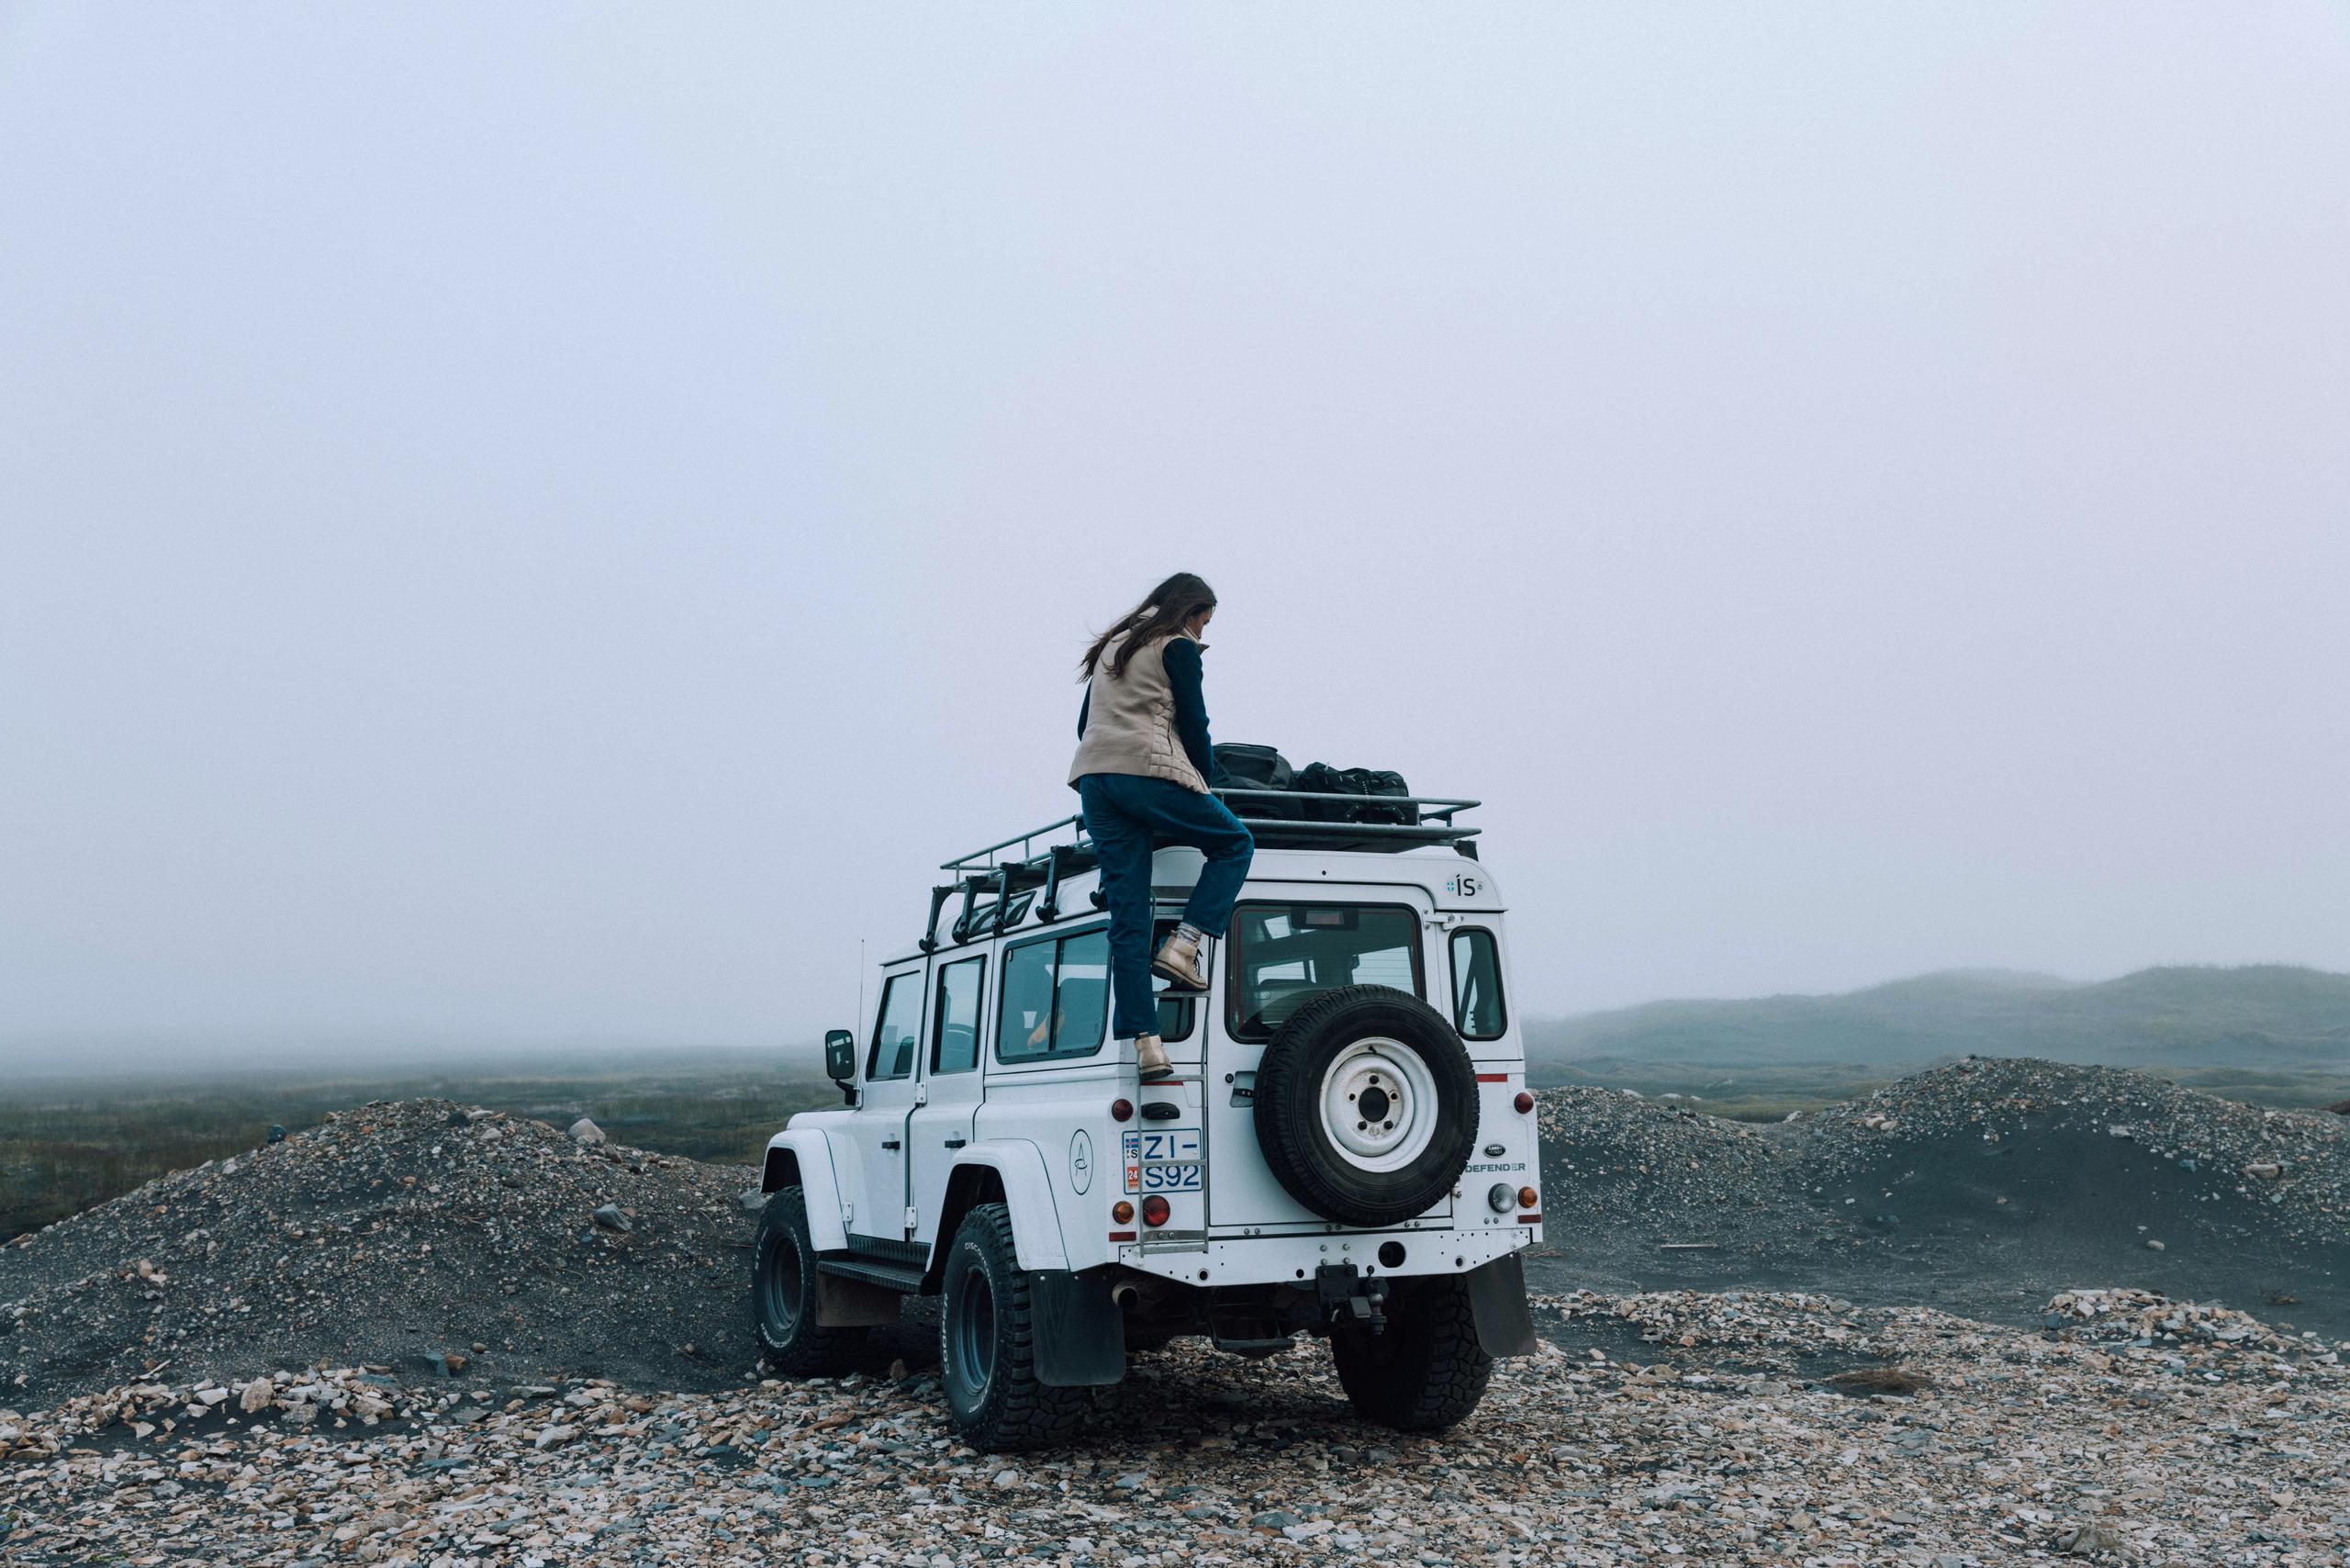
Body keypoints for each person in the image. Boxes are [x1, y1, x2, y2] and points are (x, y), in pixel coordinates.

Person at [1069, 572, 1255, 1082]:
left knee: (1127, 918)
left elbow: (1084, 723)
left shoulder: (1114, 645)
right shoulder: (1177, 646)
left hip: (1094, 782)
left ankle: (1148, 1048)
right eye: (1204, 620)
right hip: (1146, 773)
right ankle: (1184, 944)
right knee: (1236, 843)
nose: (1202, 631)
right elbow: (1195, 722)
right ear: (1189, 610)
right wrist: (1207, 779)